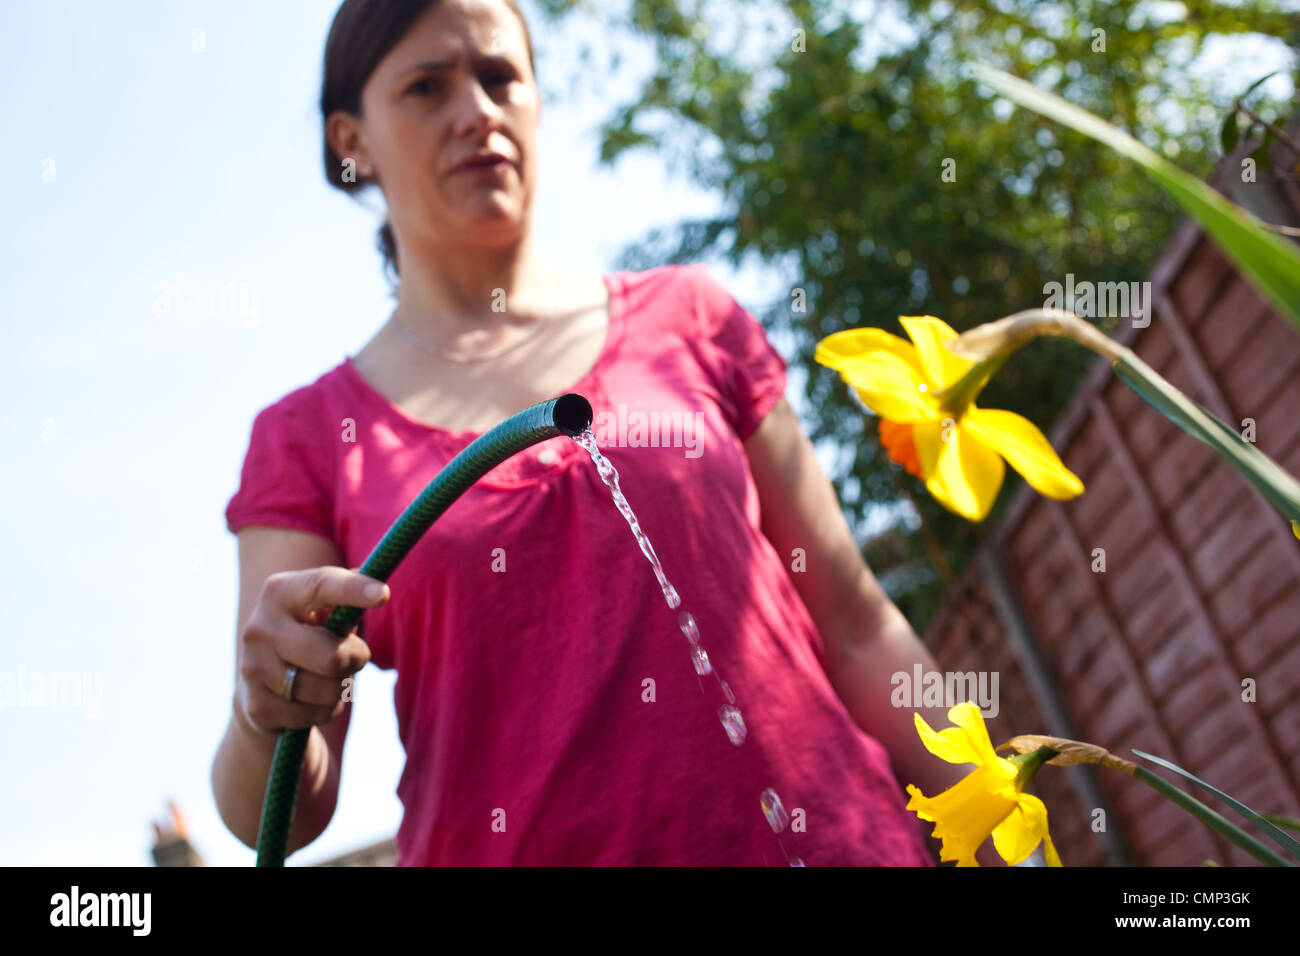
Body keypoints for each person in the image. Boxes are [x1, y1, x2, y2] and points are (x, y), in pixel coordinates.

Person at [212, 0, 979, 866]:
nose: (478, 112)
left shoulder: (692, 316)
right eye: (427, 87)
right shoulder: (310, 436)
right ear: (351, 140)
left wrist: (996, 826)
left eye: (502, 77)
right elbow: (275, 809)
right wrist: (265, 707)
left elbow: (857, 625)